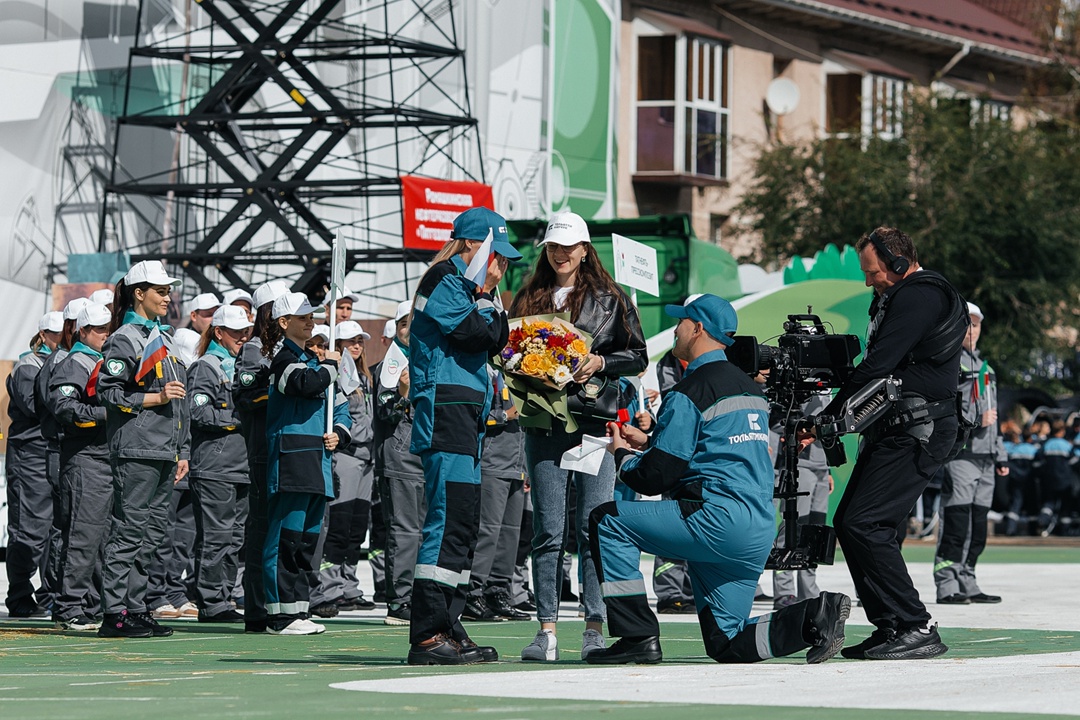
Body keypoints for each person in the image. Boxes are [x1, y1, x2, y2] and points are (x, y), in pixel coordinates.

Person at [589, 294, 850, 665]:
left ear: (697, 329)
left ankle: (636, 637)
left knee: (607, 521)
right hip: (754, 531)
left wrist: (623, 456)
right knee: (726, 643)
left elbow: (655, 477)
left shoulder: (690, 390)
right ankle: (814, 617)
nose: (675, 330)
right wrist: (649, 443)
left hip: (714, 522)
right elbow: (713, 451)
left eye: (680, 323)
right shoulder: (751, 390)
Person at [802, 227, 967, 661]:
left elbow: (878, 365)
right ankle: (892, 625)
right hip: (898, 426)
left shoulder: (920, 294)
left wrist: (828, 415)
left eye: (872, 271)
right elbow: (878, 368)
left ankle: (914, 625)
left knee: (864, 523)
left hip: (919, 428)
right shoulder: (898, 295)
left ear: (897, 263)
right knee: (858, 525)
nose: (867, 280)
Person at [508, 211, 647, 662]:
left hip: (592, 422)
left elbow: (637, 356)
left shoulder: (612, 299)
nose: (561, 254)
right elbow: (508, 350)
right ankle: (546, 629)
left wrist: (600, 363)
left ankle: (593, 626)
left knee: (594, 526)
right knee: (547, 530)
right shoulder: (528, 296)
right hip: (543, 423)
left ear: (586, 249)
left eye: (570, 246)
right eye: (554, 246)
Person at [405, 206, 516, 665]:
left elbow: (498, 336)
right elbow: (478, 335)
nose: (501, 267)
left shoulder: (470, 289)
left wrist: (490, 308)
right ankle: (428, 635)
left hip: (467, 418)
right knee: (447, 520)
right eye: (496, 256)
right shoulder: (441, 280)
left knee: (463, 527)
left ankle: (449, 623)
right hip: (445, 410)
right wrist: (490, 303)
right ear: (473, 246)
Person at [96, 260, 189, 638]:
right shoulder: (124, 338)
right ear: (139, 293)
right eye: (161, 291)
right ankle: (114, 611)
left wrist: (182, 450)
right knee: (130, 531)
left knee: (151, 536)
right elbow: (109, 390)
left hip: (164, 450)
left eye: (168, 291)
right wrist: (154, 398)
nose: (168, 297)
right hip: (136, 448)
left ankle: (136, 606)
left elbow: (180, 402)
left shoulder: (163, 337)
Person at [261, 291, 351, 636]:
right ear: (284, 323)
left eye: (311, 316)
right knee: (285, 537)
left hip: (319, 459)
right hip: (292, 457)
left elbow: (342, 408)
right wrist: (330, 364)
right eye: (302, 318)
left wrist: (339, 434)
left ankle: (298, 609)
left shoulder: (319, 363)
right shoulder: (283, 359)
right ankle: (279, 615)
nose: (310, 321)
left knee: (306, 541)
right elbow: (302, 383)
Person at [935, 302, 1007, 604]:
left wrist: (1000, 453)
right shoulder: (948, 363)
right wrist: (978, 421)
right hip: (962, 455)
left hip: (986, 457)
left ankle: (968, 579)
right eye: (966, 324)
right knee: (956, 521)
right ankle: (947, 584)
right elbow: (947, 410)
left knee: (978, 525)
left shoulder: (986, 368)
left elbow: (995, 417)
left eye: (975, 325)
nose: (971, 330)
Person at [47, 302, 112, 630]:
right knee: (82, 537)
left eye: (107, 328)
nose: (105, 333)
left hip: (102, 457)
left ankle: (90, 606)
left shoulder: (100, 360)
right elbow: (64, 407)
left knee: (100, 540)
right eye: (99, 329)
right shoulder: (76, 362)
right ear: (82, 331)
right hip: (84, 458)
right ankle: (70, 607)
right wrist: (108, 415)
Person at [189, 304, 254, 623]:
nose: (243, 337)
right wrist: (240, 419)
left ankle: (224, 595)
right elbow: (198, 412)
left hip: (240, 465)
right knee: (216, 536)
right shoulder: (207, 366)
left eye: (246, 332)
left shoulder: (240, 363)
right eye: (237, 332)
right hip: (215, 465)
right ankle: (211, 600)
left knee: (235, 537)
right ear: (219, 332)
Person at [233, 279, 291, 633]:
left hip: (286, 447)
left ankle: (278, 603)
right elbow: (247, 395)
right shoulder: (254, 349)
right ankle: (257, 607)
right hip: (263, 448)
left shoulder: (287, 347)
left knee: (283, 529)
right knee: (262, 527)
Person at [311, 320, 377, 615]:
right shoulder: (336, 374)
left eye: (359, 341)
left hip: (368, 456)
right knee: (338, 523)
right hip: (346, 454)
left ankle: (349, 584)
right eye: (349, 341)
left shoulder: (363, 377)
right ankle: (331, 585)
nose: (356, 346)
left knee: (356, 526)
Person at [5, 311, 63, 617]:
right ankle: (19, 596)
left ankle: (49, 592)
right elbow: (35, 407)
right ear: (42, 335)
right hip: (30, 453)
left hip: (52, 450)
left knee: (55, 527)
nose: (58, 338)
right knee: (29, 528)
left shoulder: (57, 362)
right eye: (54, 334)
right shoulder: (28, 365)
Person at [374, 300, 425, 625]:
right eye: (405, 324)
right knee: (405, 531)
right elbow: (384, 410)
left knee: (421, 531)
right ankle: (400, 600)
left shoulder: (423, 358)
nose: (411, 329)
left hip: (424, 455)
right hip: (401, 457)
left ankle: (415, 596)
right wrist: (404, 393)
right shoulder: (391, 365)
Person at [772, 393, 833, 610]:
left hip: (822, 469)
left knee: (814, 532)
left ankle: (808, 590)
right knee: (792, 527)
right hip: (800, 465)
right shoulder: (801, 387)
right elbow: (781, 421)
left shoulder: (828, 389)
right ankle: (785, 591)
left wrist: (828, 471)